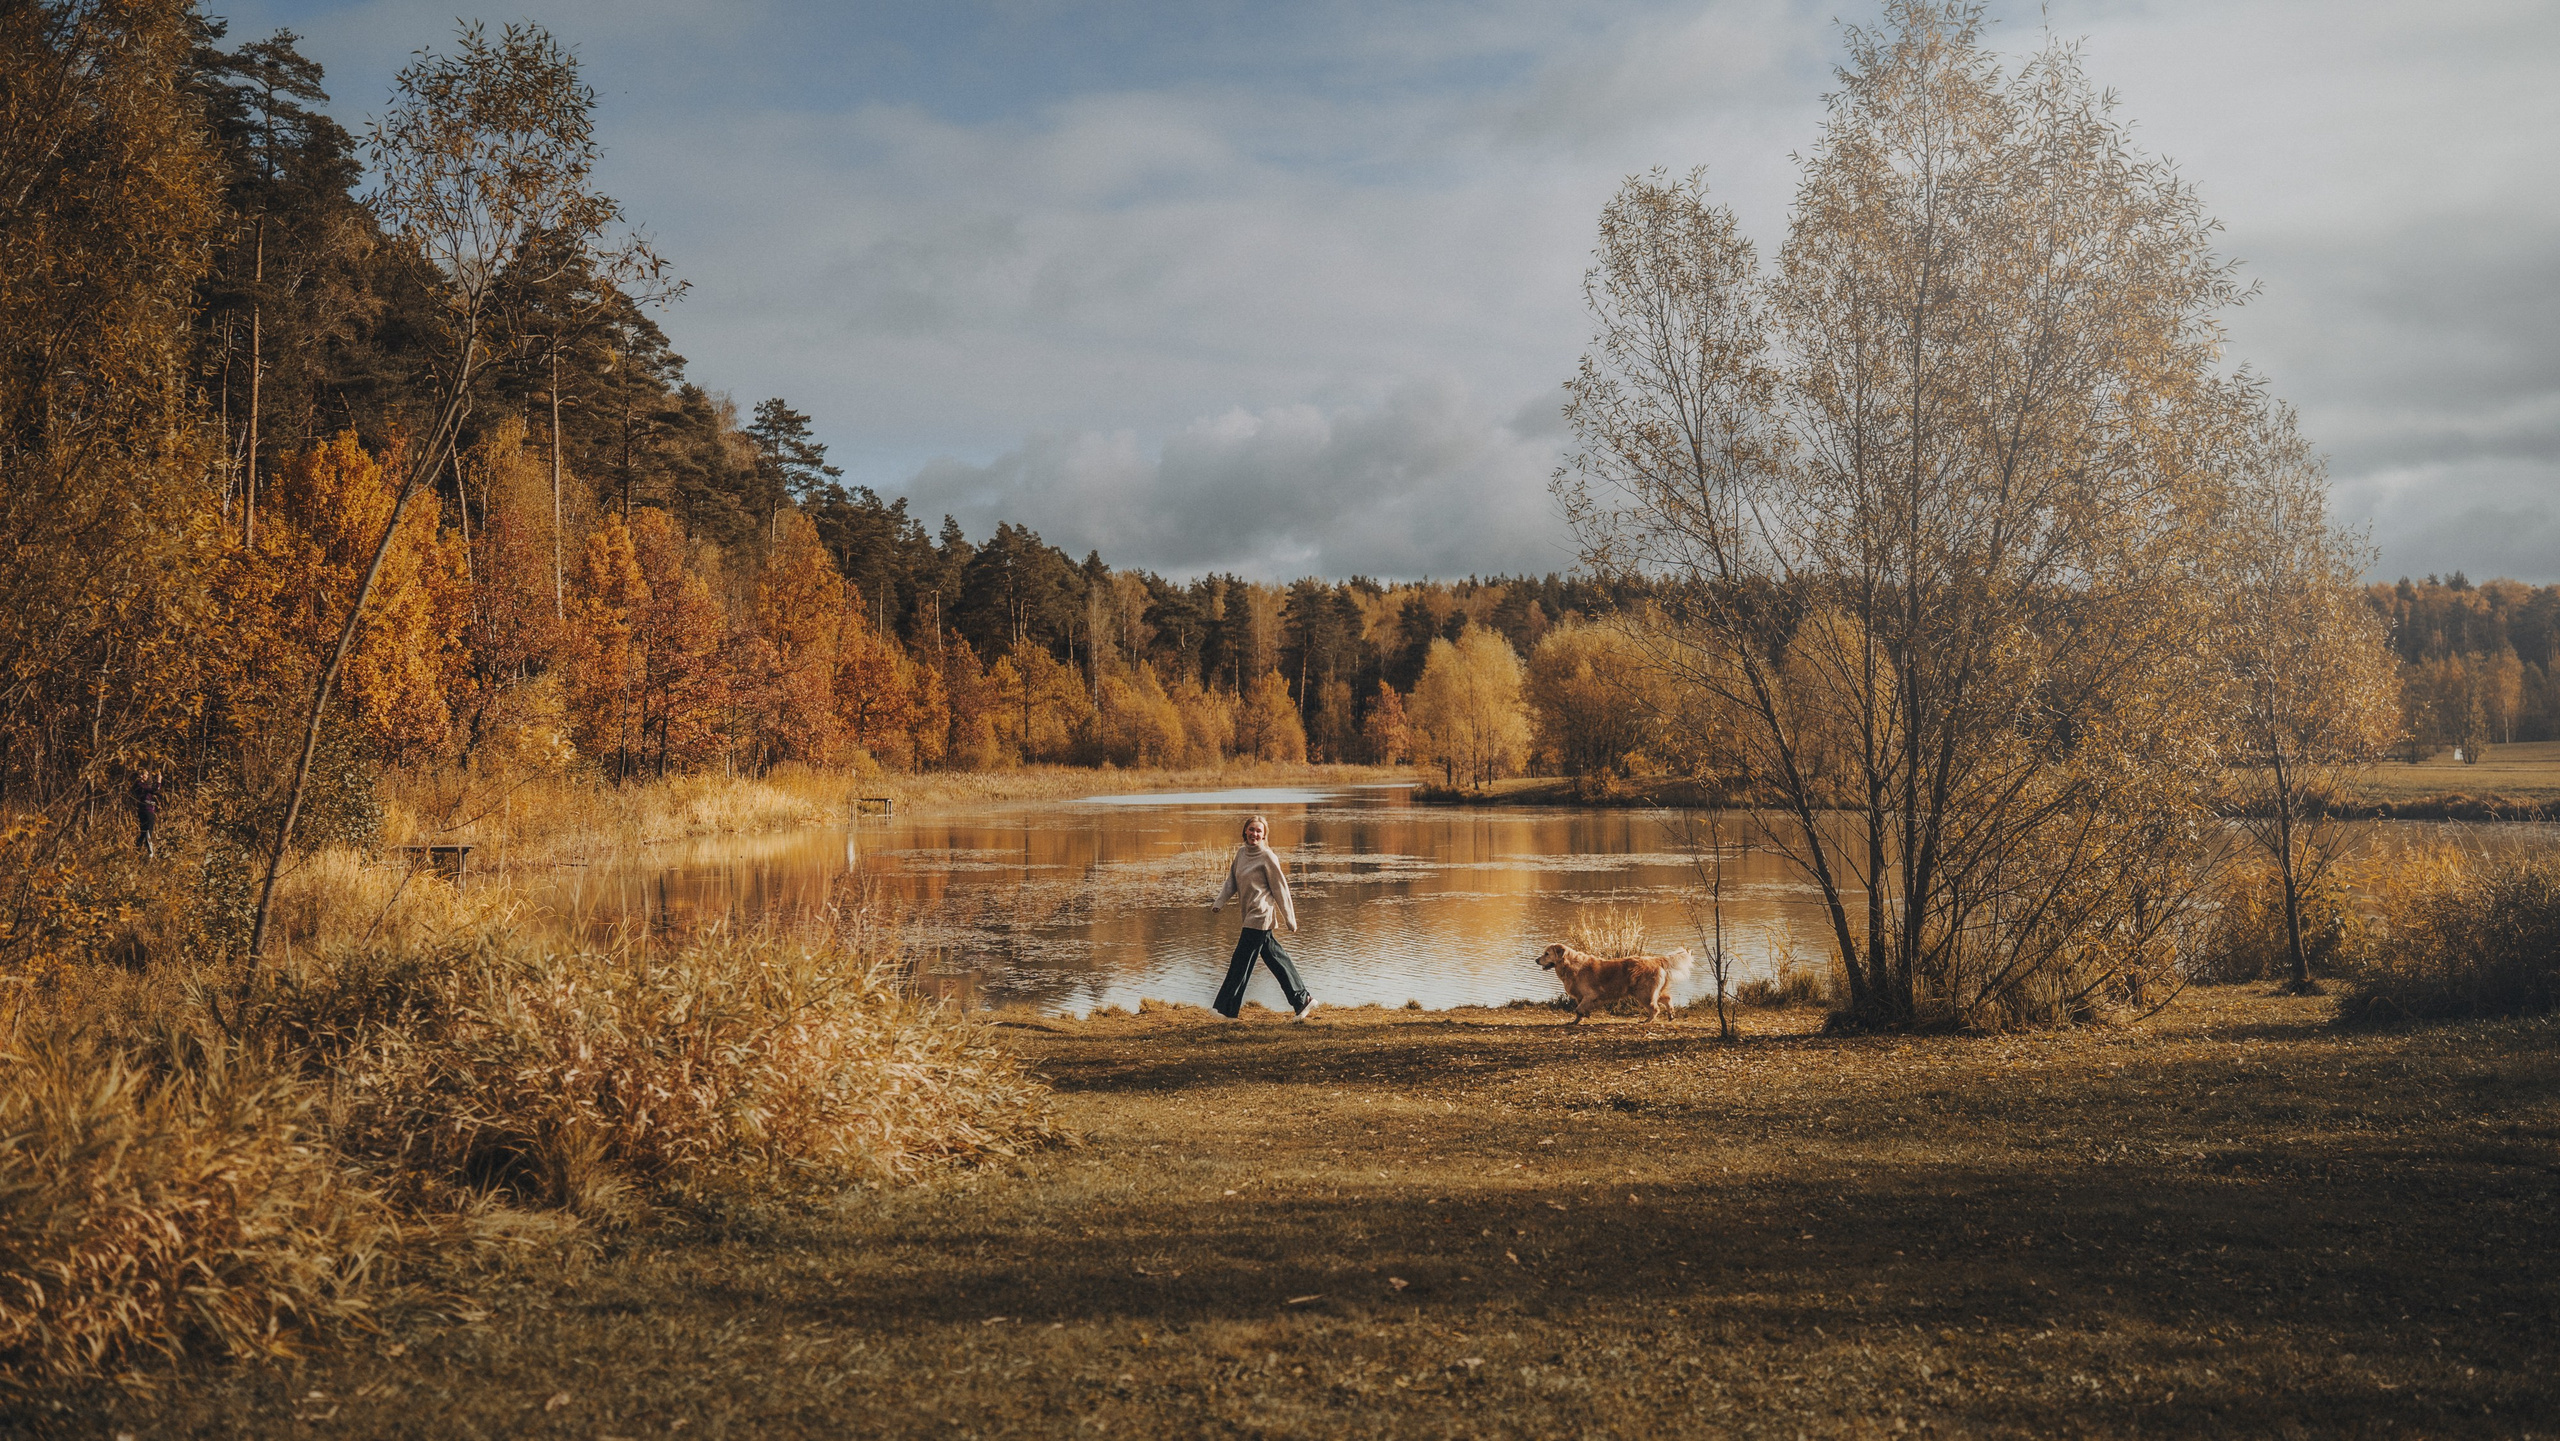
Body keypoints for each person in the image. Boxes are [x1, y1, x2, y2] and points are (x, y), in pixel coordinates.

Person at [1210, 813, 1317, 1021]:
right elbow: (1231, 880)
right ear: (1245, 831)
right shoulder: (1241, 854)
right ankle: (1302, 1000)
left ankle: (1226, 1010)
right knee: (1276, 959)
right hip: (1249, 914)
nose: (1254, 834)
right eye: (1251, 829)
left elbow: (1281, 889)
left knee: (1240, 962)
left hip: (1261, 915)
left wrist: (1289, 918)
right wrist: (1219, 902)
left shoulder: (1268, 857)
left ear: (1264, 834)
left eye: (1259, 831)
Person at [131, 769, 161, 859]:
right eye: (146, 775)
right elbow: (155, 790)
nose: (147, 777)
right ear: (141, 775)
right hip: (146, 810)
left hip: (146, 810)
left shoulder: (142, 786)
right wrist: (159, 781)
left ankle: (137, 851)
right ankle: (150, 853)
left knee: (143, 832)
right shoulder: (139, 785)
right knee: (148, 830)